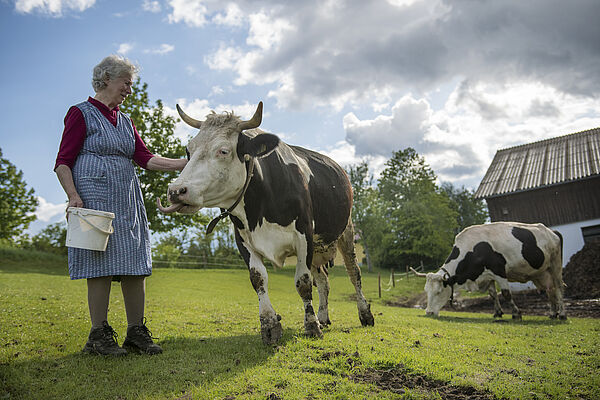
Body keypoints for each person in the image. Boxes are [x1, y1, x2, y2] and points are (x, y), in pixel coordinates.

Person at [54, 55, 186, 356]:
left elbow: (146, 159)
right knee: (98, 266)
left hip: (127, 200)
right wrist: (73, 196)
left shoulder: (126, 121)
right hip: (92, 197)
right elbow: (63, 162)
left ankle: (136, 333)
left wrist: (188, 164)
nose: (129, 89)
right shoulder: (81, 113)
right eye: (125, 82)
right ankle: (98, 336)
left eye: (131, 83)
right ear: (106, 79)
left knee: (135, 263)